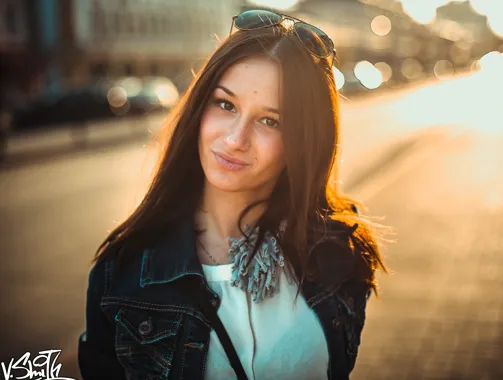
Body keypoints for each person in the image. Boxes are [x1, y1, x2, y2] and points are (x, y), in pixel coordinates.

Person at [78, 9, 387, 380]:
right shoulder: (122, 273)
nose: (234, 140)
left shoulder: (338, 254)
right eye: (225, 105)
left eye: (269, 121)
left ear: (303, 142)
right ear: (200, 108)